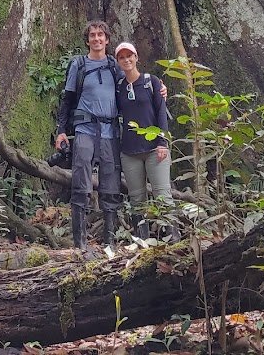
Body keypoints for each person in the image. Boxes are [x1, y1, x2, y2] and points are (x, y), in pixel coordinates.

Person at [55, 20, 122, 250]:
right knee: (81, 182)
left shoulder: (115, 66)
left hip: (110, 131)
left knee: (111, 183)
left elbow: (132, 84)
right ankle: (80, 244)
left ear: (107, 39)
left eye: (100, 35)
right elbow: (68, 98)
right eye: (92, 35)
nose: (96, 39)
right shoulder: (79, 65)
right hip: (84, 130)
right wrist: (61, 131)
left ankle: (109, 243)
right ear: (87, 40)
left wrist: (157, 86)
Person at [114, 41, 179, 241]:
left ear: (136, 58)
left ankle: (172, 240)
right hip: (130, 151)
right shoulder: (118, 87)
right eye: (122, 57)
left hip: (154, 149)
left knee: (162, 195)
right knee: (137, 199)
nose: (126, 60)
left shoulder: (152, 82)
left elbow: (161, 113)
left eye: (129, 56)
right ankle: (142, 241)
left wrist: (163, 143)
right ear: (118, 62)